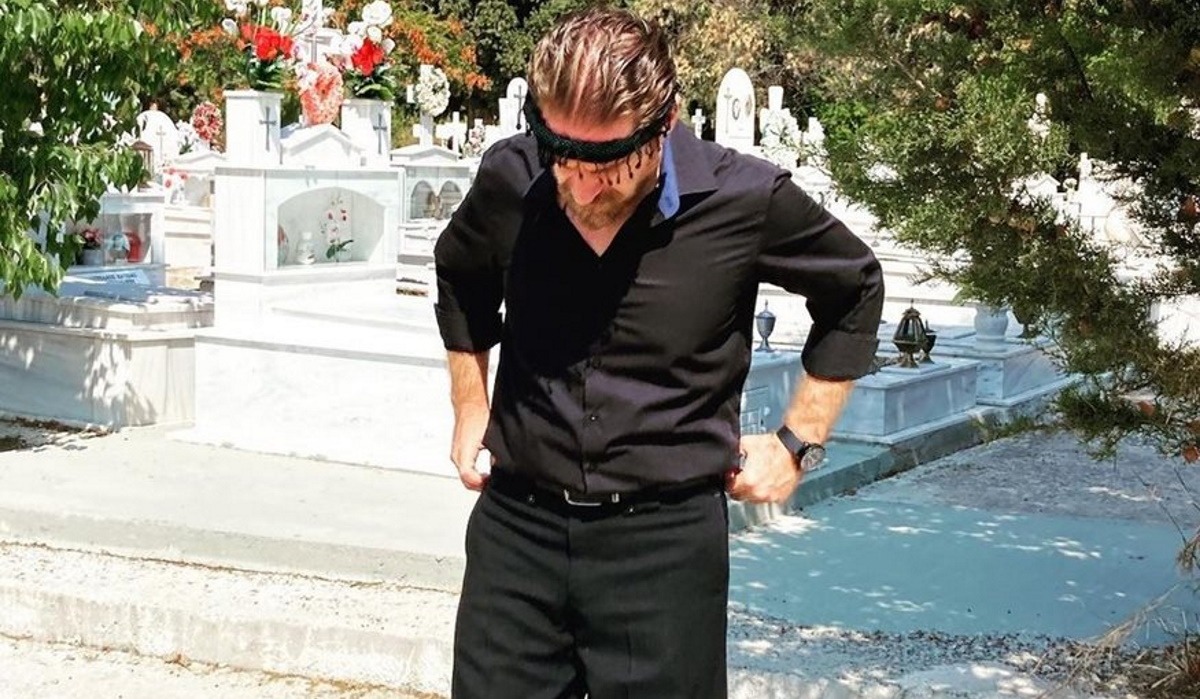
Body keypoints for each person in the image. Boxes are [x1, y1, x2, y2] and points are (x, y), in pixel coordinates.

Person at [433, 7, 884, 698]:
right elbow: (461, 275)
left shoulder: (745, 198)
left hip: (665, 549)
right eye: (565, 159)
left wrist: (797, 441)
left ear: (664, 123)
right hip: (516, 532)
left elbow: (855, 287)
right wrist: (471, 402)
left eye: (610, 163)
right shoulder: (510, 179)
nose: (584, 187)